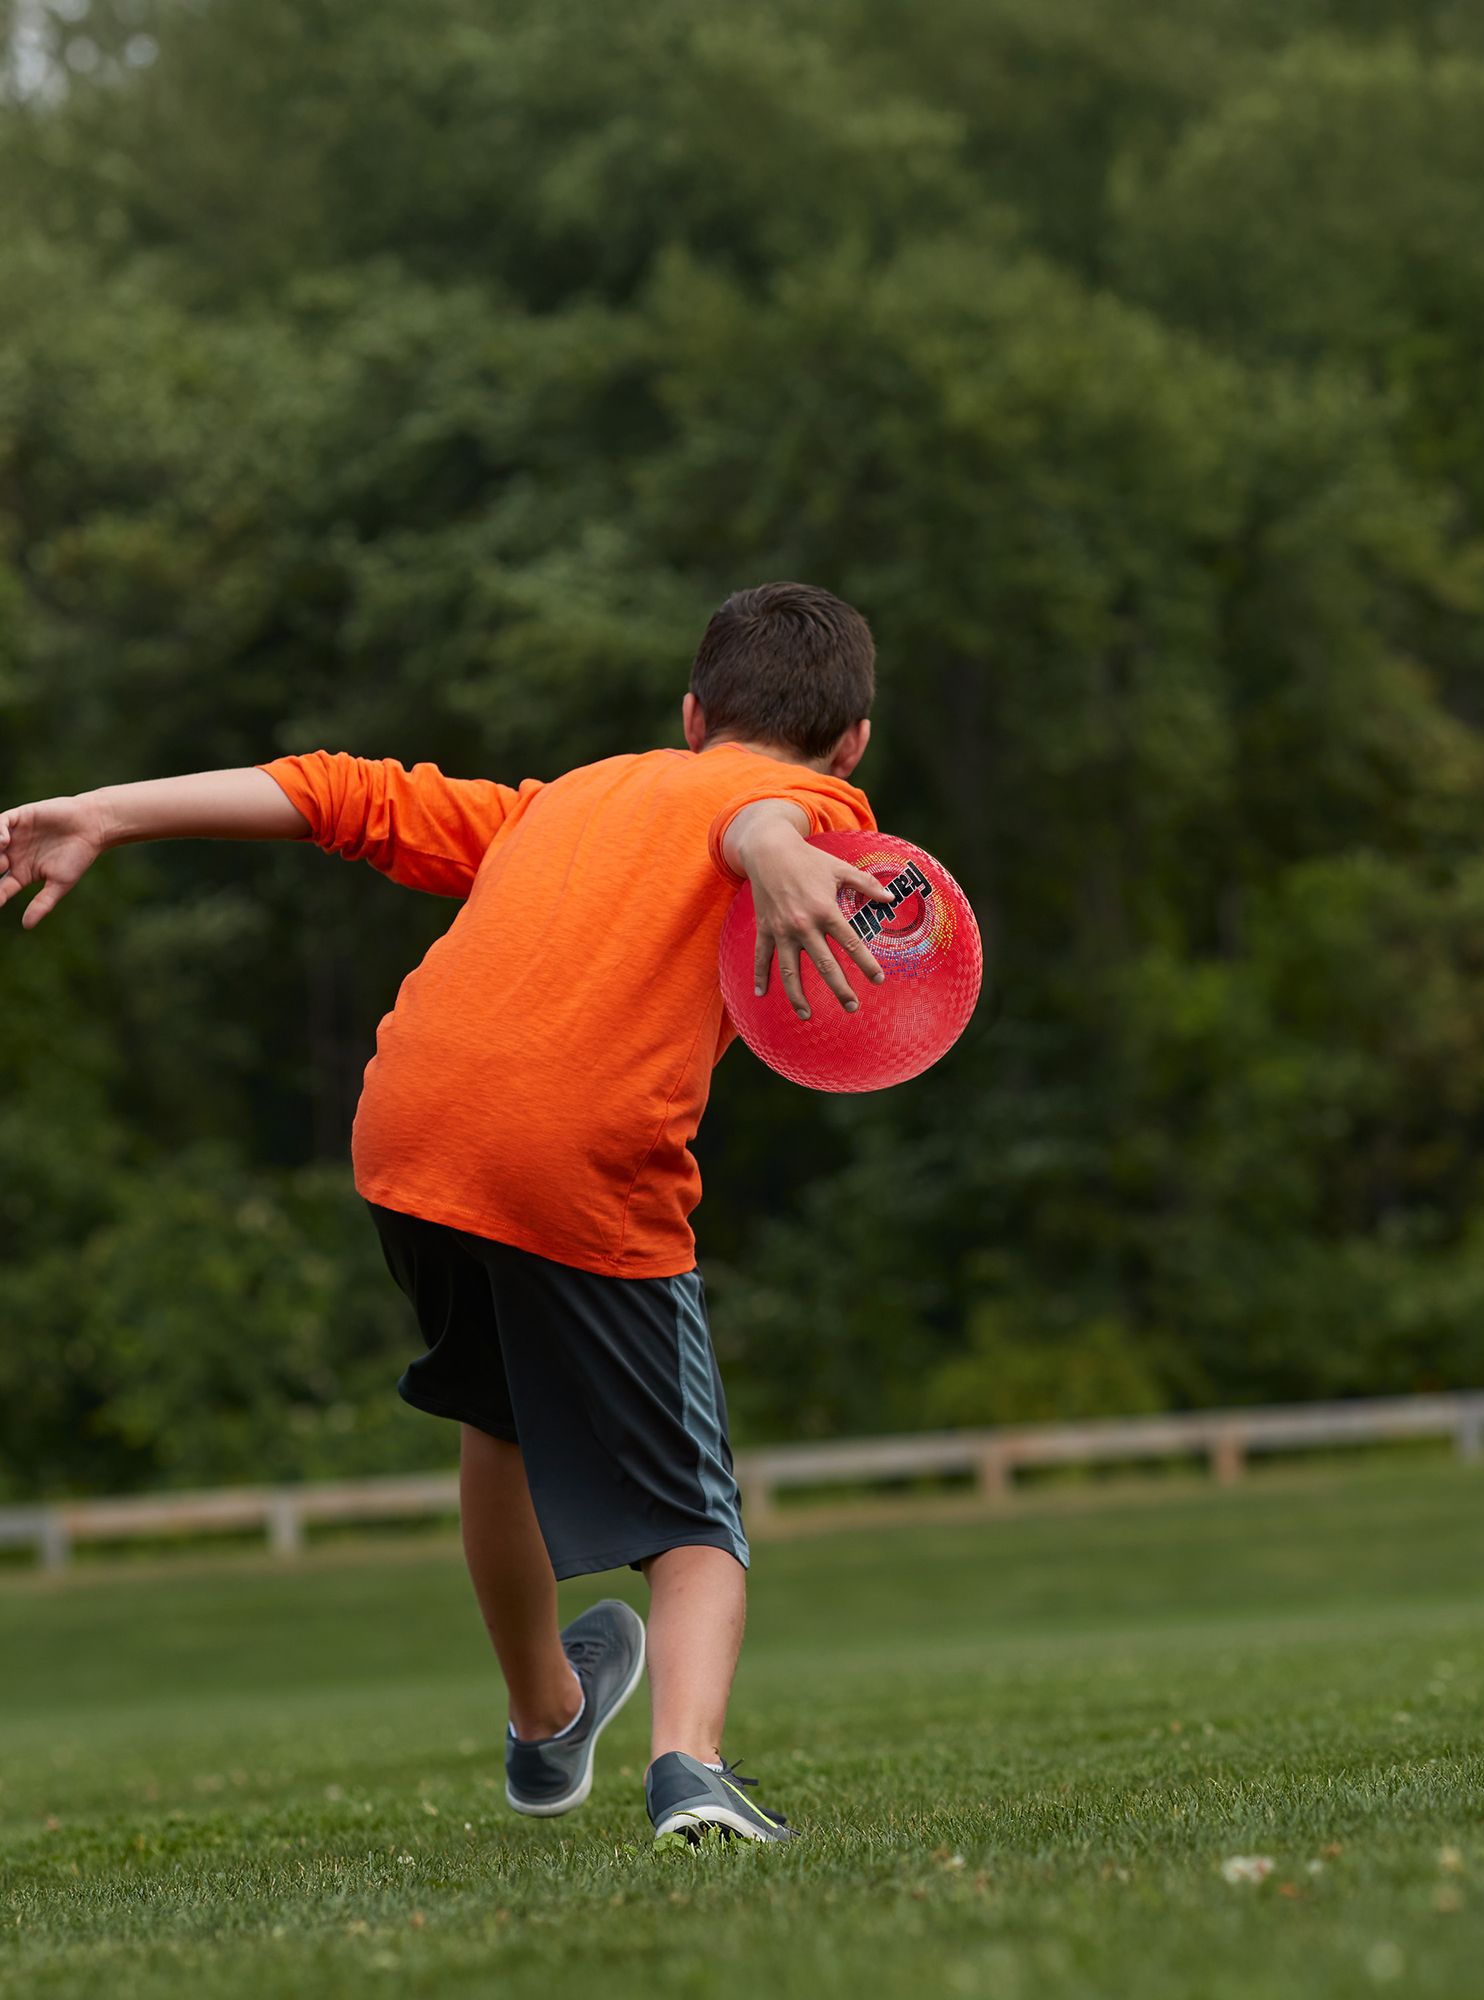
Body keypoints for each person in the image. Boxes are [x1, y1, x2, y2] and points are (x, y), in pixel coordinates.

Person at [0, 581, 894, 1844]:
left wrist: (110, 810)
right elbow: (757, 814)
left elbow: (336, 792)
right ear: (852, 740)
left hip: (410, 1136)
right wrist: (771, 838)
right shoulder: (814, 808)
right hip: (572, 1159)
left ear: (690, 712)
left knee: (500, 1415)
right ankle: (689, 1766)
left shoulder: (569, 798)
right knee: (695, 1519)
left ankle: (546, 1714)